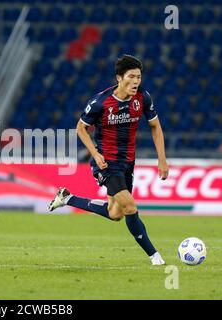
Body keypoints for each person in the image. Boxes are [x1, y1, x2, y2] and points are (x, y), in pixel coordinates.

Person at [49, 55, 169, 265]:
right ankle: (155, 256)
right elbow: (80, 128)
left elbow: (155, 126)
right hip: (106, 163)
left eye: (139, 77)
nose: (135, 82)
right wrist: (95, 154)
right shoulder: (101, 102)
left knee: (115, 213)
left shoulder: (143, 97)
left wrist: (162, 160)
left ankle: (67, 198)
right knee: (130, 207)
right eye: (131, 77)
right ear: (119, 78)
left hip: (127, 163)